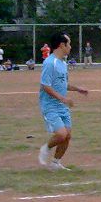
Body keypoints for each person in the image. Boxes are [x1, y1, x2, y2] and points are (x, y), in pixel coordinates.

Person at [37, 32, 88, 171]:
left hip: (62, 106)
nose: (70, 47)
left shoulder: (63, 63)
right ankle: (46, 148)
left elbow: (63, 84)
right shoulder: (50, 63)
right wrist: (63, 98)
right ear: (61, 45)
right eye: (69, 44)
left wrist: (78, 89)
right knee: (61, 134)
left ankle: (55, 163)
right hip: (50, 106)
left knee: (67, 136)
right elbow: (45, 86)